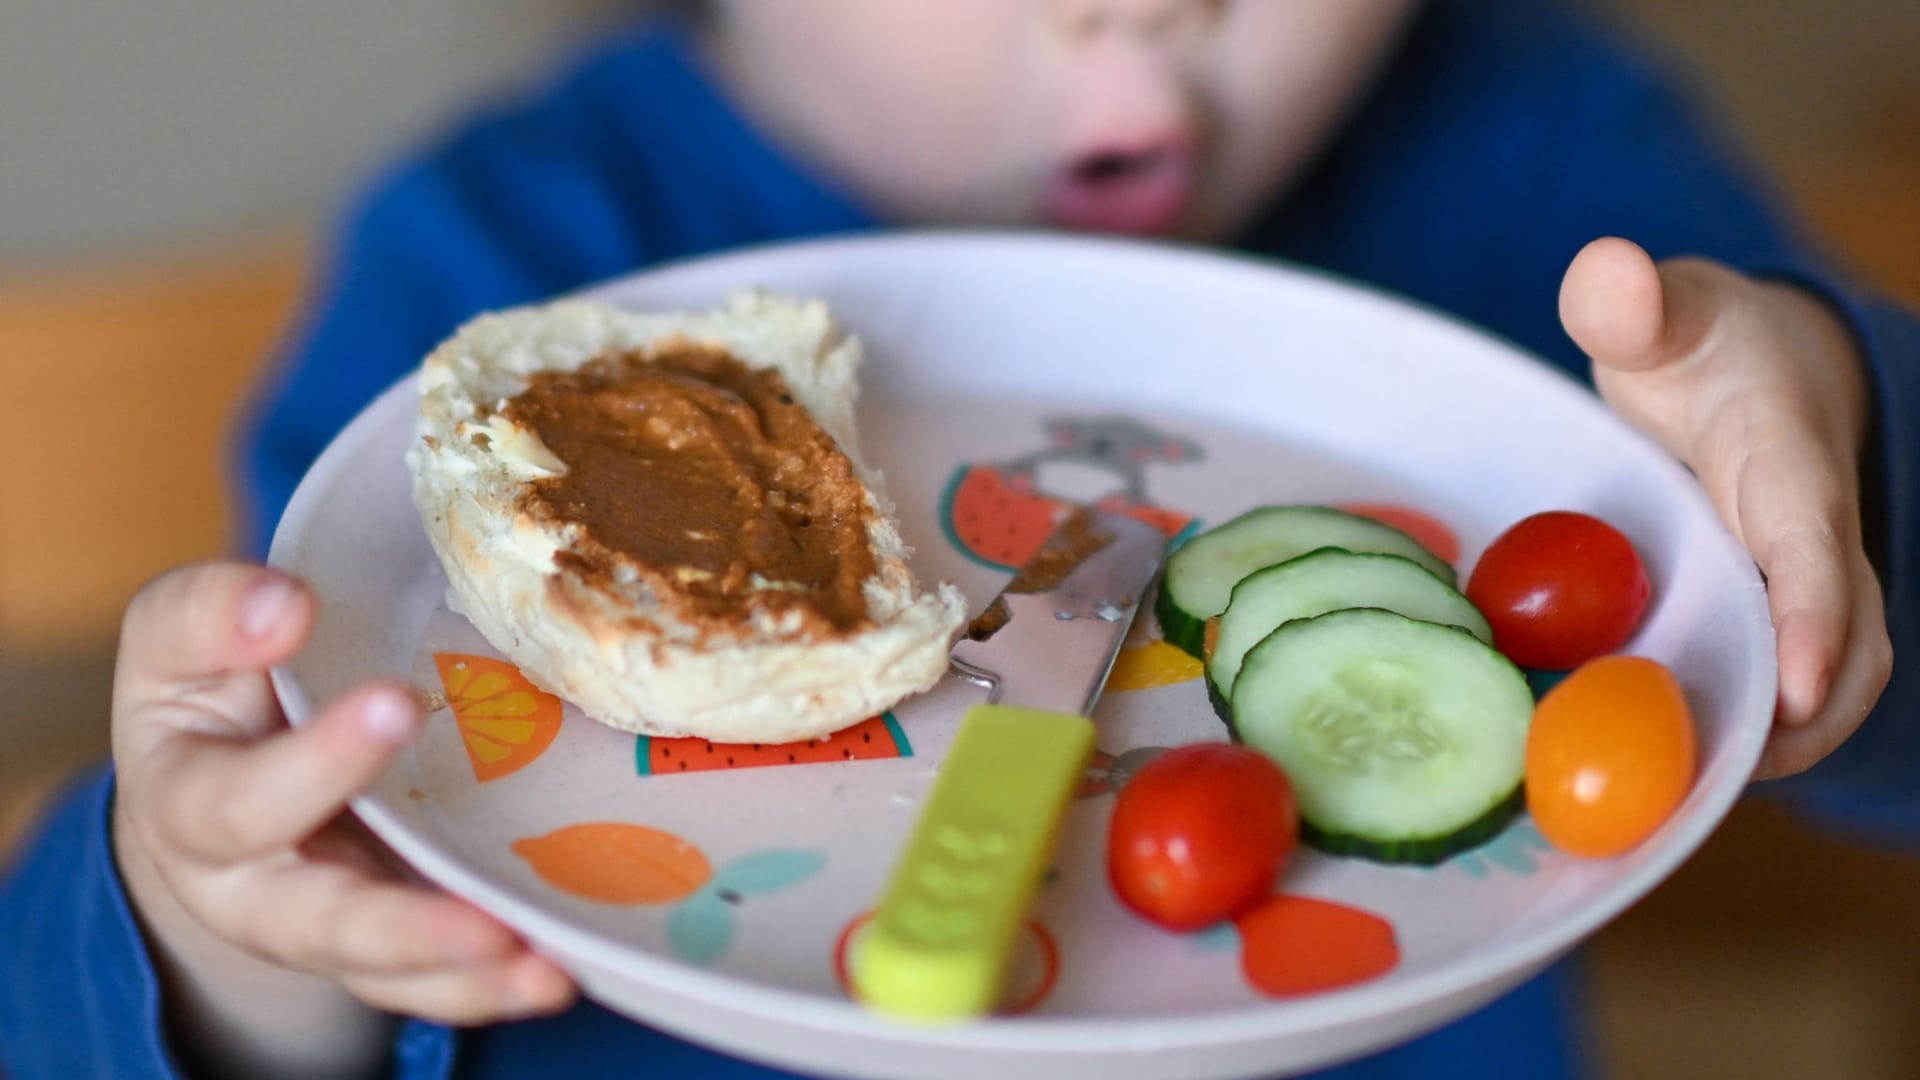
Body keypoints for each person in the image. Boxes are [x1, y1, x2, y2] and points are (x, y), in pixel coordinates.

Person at [4, 1, 1915, 1077]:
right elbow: (150, 968)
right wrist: (221, 950)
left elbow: (1835, 667)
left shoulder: (1551, 167)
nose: (1153, 7)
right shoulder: (493, 268)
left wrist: (1838, 453)